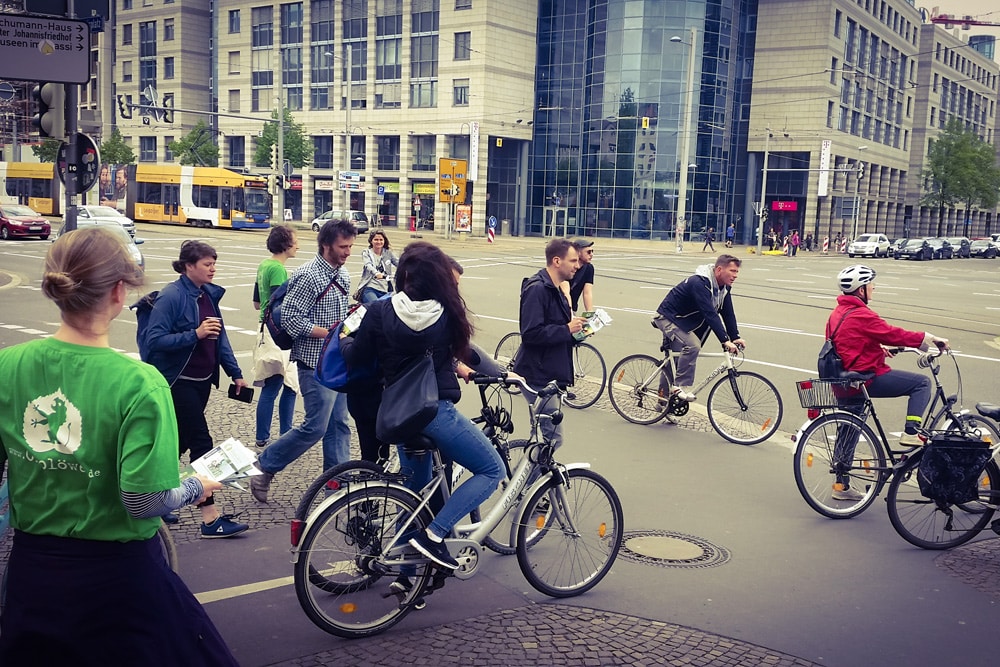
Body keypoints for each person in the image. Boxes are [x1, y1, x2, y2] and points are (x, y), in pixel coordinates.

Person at [0, 227, 238, 665]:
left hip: (32, 571)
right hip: (116, 577)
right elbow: (142, 500)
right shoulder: (140, 383)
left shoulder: (8, 364)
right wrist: (194, 485)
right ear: (117, 291)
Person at [340, 241, 504, 572]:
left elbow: (356, 359)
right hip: (434, 413)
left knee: (414, 497)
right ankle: (435, 535)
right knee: (491, 469)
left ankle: (405, 576)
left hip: (398, 415)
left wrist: (344, 340)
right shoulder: (447, 315)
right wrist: (504, 373)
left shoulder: (379, 311)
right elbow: (469, 355)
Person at [143, 240, 250, 538]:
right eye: (207, 263)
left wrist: (236, 373)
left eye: (214, 262)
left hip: (202, 383)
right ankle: (210, 518)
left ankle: (157, 501)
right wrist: (195, 334)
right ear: (189, 266)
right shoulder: (171, 296)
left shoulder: (207, 295)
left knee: (177, 444)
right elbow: (154, 340)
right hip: (178, 383)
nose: (213, 268)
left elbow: (221, 338)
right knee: (202, 444)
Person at [251, 218, 356, 503]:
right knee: (316, 426)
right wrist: (329, 334)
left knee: (339, 424)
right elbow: (291, 319)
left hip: (338, 362)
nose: (348, 252)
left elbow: (339, 315)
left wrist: (349, 325)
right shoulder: (307, 275)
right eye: (343, 247)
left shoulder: (342, 275)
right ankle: (264, 466)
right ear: (326, 245)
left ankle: (338, 480)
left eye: (350, 246)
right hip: (313, 361)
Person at [828, 266, 949, 499]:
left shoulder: (838, 313)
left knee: (848, 431)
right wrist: (928, 339)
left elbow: (846, 344)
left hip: (843, 381)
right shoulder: (862, 314)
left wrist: (878, 349)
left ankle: (841, 486)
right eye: (871, 284)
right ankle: (911, 432)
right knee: (921, 383)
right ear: (861, 289)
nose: (874, 287)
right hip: (866, 378)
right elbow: (893, 333)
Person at [514, 238, 586, 449]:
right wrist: (566, 329)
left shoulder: (554, 288)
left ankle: (529, 480)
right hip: (539, 376)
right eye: (573, 261)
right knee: (550, 439)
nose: (577, 265)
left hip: (548, 374)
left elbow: (556, 329)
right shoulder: (538, 289)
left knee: (542, 438)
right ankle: (530, 482)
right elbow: (530, 333)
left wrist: (576, 332)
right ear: (557, 261)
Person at [653, 254, 746, 402]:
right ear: (719, 270)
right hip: (668, 318)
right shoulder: (700, 283)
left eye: (737, 272)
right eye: (732, 271)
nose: (735, 275)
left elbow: (727, 313)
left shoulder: (724, 289)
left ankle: (663, 404)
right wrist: (724, 340)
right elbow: (709, 313)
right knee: (692, 345)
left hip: (684, 322)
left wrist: (734, 336)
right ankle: (680, 386)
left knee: (675, 362)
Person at [252, 224, 300, 448]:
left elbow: (256, 302)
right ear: (285, 244)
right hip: (277, 332)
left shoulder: (264, 265)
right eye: (295, 240)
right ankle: (286, 434)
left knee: (271, 386)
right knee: (288, 385)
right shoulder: (279, 270)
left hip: (264, 328)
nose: (298, 245)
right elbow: (280, 306)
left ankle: (262, 436)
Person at [357, 230, 399, 303]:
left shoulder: (388, 253)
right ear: (371, 241)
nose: (378, 242)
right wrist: (376, 273)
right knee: (375, 306)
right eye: (376, 239)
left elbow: (398, 263)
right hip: (370, 287)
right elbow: (368, 265)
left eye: (381, 240)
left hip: (385, 289)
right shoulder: (367, 252)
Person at [561, 237, 595, 313]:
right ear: (578, 252)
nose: (591, 254)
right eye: (588, 252)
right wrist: (570, 314)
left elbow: (587, 292)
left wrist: (590, 313)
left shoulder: (589, 268)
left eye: (592, 251)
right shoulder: (567, 266)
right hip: (559, 308)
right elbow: (565, 293)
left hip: (573, 308)